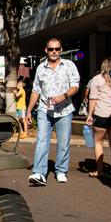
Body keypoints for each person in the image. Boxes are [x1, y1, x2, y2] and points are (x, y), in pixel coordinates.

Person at [26, 38, 80, 185]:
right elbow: (36, 90)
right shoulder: (40, 68)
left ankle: (61, 170)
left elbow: (75, 85)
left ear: (61, 50)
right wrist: (29, 111)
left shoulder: (69, 65)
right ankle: (39, 173)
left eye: (57, 49)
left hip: (64, 110)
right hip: (45, 109)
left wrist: (63, 96)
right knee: (42, 140)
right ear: (46, 50)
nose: (54, 52)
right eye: (51, 49)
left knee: (63, 142)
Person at [86, 57, 111, 179]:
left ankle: (99, 170)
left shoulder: (96, 79)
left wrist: (90, 114)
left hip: (100, 115)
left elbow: (93, 98)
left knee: (98, 143)